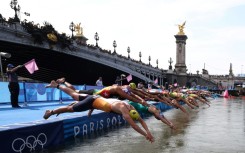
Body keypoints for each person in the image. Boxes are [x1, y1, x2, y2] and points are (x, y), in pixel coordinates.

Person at [44, 80, 154, 143]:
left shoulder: (130, 107)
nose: (126, 117)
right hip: (91, 102)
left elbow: (141, 120)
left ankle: (57, 85)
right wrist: (145, 135)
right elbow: (134, 125)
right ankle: (51, 112)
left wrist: (148, 132)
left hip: (95, 98)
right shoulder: (123, 109)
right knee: (70, 109)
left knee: (74, 94)